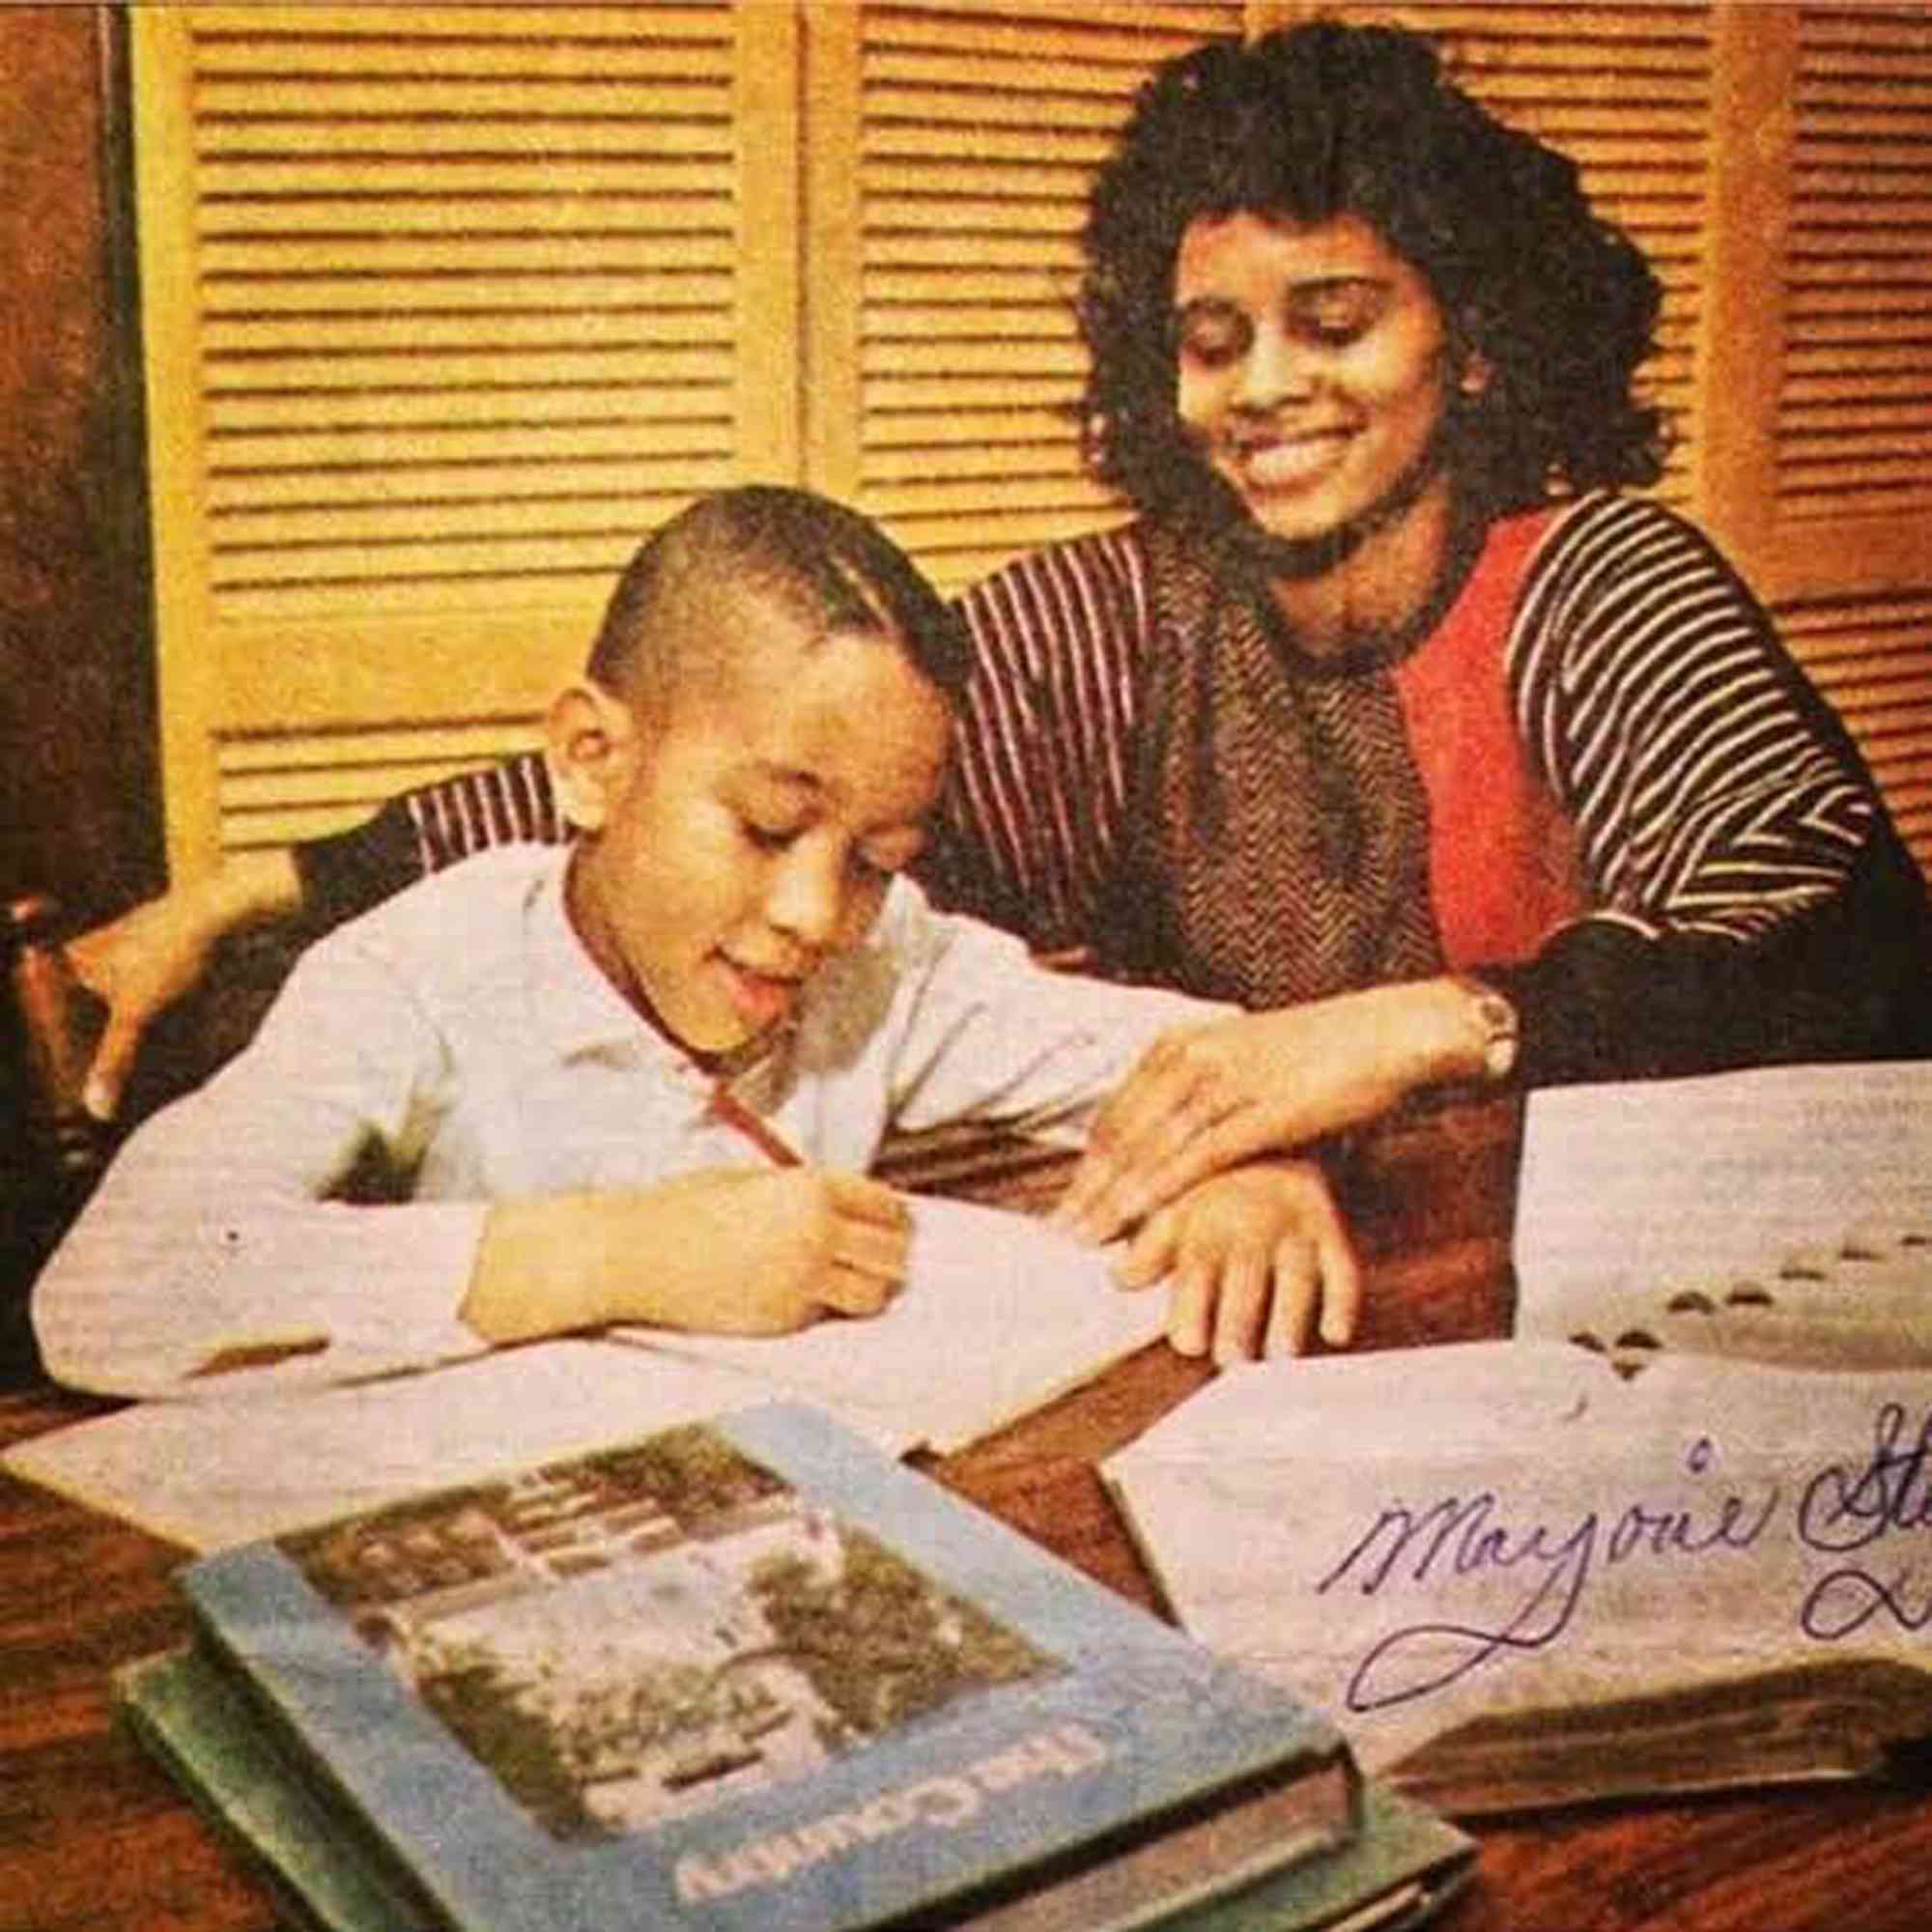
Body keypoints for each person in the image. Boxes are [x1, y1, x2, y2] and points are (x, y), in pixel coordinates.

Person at [66, 25, 1932, 1239]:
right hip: (1258, 1276)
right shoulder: (1125, 619)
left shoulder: (1600, 577)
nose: (1266, 387)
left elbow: (1855, 963)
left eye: (1335, 319)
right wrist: (264, 888)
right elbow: (687, 778)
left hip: (1622, 1294)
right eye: (1212, 342)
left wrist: (1425, 1031)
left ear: (1479, 335)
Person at [33, 489, 1359, 1397]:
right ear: (594, 760)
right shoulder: (423, 970)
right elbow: (104, 1290)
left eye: (879, 859)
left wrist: (1252, 1155)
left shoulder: (882, 956)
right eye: (768, 826)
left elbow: (1199, 1053)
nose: (813, 913)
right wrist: (616, 1257)